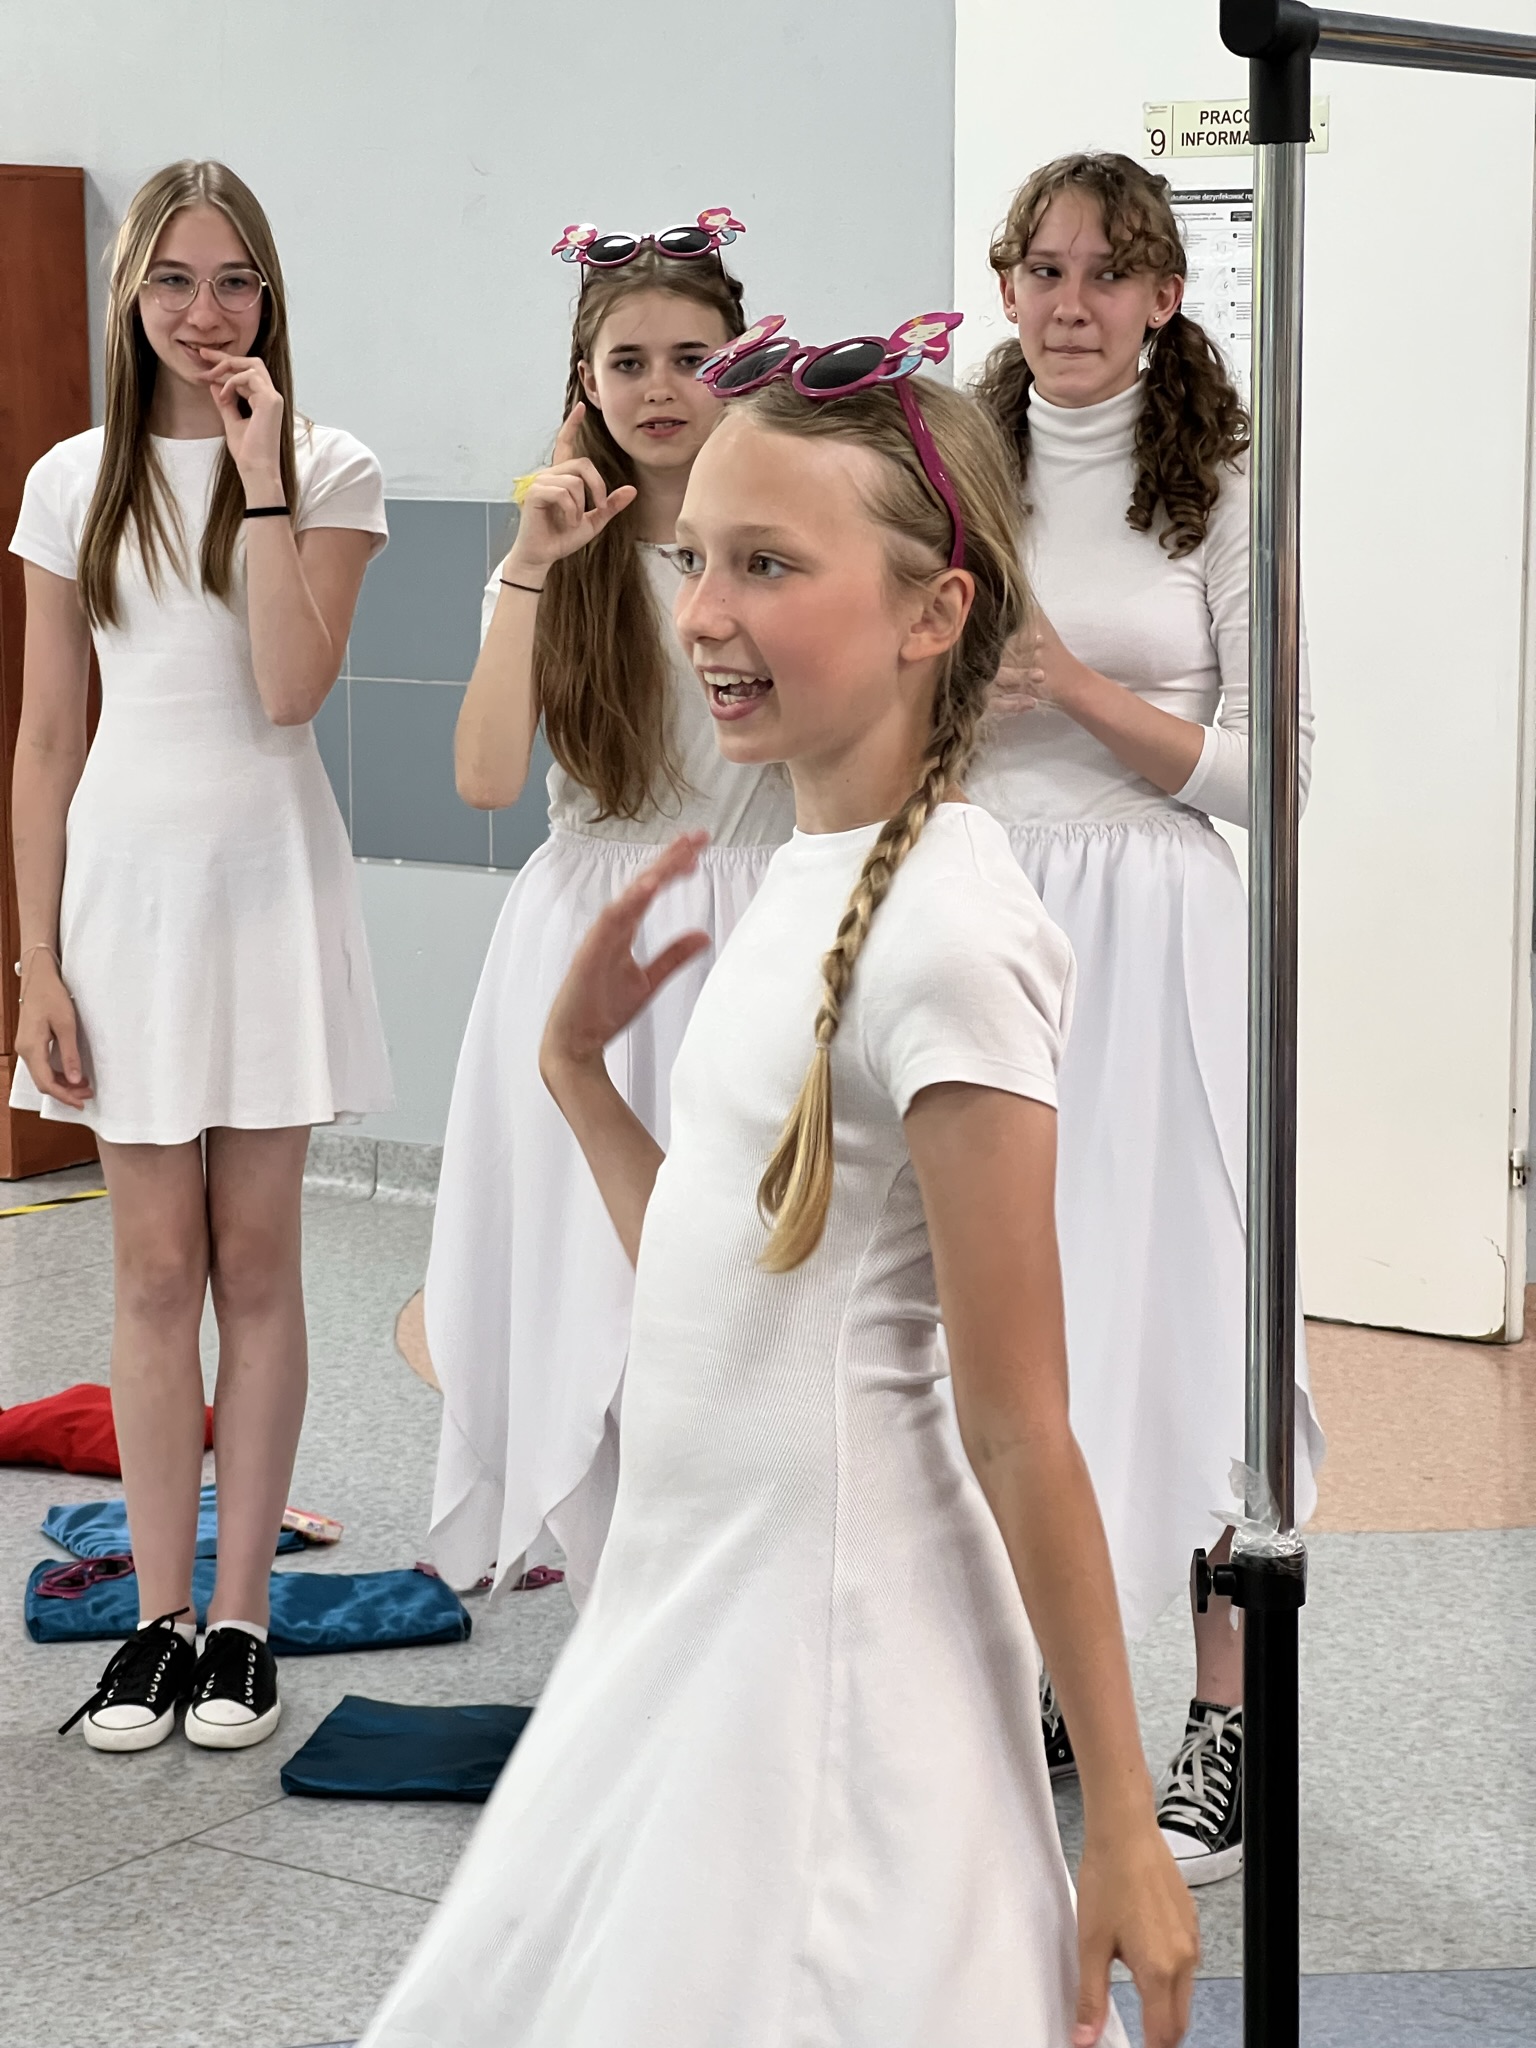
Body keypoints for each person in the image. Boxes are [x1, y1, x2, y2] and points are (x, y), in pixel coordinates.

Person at [360, 315, 1198, 2048]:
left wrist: (1121, 1820)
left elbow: (1022, 1427)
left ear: (932, 613)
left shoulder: (950, 935)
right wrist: (581, 1084)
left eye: (767, 565)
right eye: (696, 560)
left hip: (834, 1672)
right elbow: (731, 1279)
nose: (701, 617)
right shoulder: (810, 867)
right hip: (698, 1616)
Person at [970, 150, 1325, 1883]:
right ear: (1006, 285)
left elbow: (1278, 778)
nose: (1073, 303)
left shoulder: (1227, 485)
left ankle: (1221, 1720)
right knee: (1012, 1321)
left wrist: (1076, 688)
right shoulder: (959, 467)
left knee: (1181, 1315)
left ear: (1167, 296)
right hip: (989, 920)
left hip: (1162, 929)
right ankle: (1052, 1673)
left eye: (1108, 272)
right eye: (1043, 269)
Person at [11, 158, 391, 1752]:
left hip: (269, 890)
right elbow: (46, 734)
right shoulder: (70, 479)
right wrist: (35, 960)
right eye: (174, 278)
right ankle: (154, 1625)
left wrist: (264, 476)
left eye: (235, 280)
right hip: (127, 901)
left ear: (270, 296)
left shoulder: (330, 464)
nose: (204, 310)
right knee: (154, 1271)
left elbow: (292, 690)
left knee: (259, 1264)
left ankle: (242, 1625)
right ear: (131, 294)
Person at [422, 213, 793, 1605]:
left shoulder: (780, 550)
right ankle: (616, 1596)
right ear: (585, 383)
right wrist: (532, 564)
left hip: (747, 934)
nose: (659, 388)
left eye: (692, 357)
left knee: (735, 1291)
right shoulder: (553, 566)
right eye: (626, 361)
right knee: (592, 1288)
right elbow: (481, 779)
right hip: (586, 942)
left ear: (742, 368)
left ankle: (728, 1587)